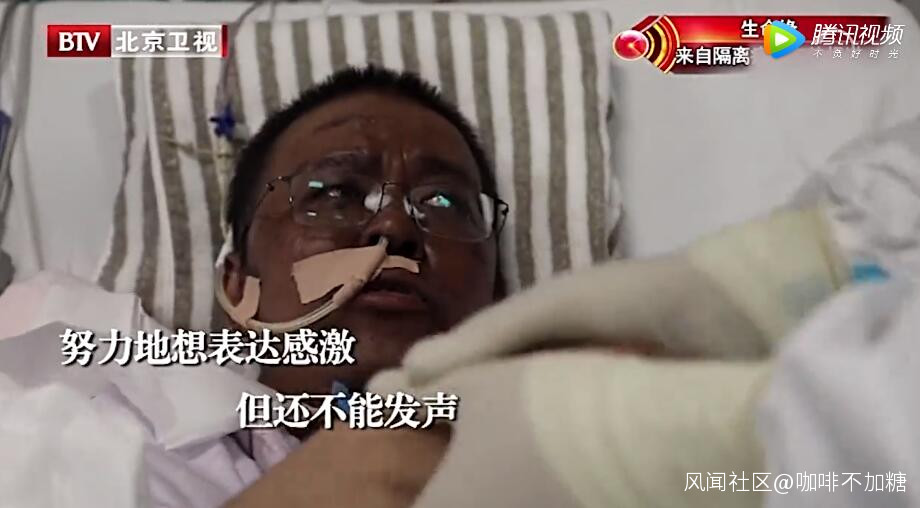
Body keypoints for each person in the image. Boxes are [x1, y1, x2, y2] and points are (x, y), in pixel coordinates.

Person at [230, 115, 920, 507]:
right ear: (236, 280)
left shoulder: (642, 417)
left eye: (443, 203)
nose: (394, 229)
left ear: (497, 290)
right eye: (332, 193)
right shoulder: (162, 459)